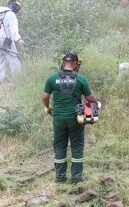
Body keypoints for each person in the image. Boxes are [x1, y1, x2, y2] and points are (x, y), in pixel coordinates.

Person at [42, 51, 101, 184]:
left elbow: (45, 96)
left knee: (59, 146)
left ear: (64, 62)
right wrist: (97, 103)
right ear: (75, 63)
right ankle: (76, 178)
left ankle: (60, 177)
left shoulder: (52, 78)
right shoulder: (81, 79)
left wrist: (48, 107)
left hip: (58, 119)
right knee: (77, 146)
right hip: (76, 119)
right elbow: (89, 98)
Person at [0, 0, 24, 85]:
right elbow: (13, 30)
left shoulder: (0, 14)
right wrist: (18, 39)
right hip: (6, 42)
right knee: (14, 60)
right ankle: (18, 81)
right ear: (14, 6)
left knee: (1, 61)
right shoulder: (11, 15)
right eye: (17, 8)